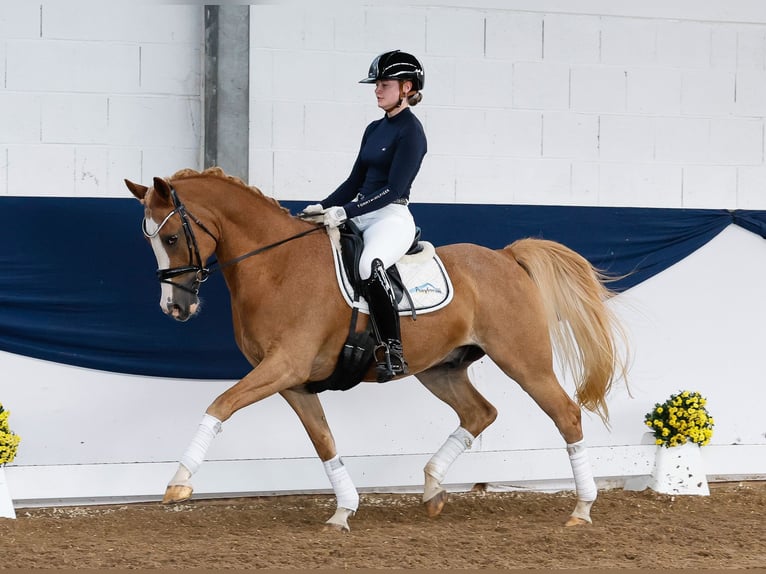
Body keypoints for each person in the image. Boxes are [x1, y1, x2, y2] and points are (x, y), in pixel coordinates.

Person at [302, 50, 427, 382]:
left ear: (406, 87)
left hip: (390, 216)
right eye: (377, 85)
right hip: (360, 212)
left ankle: (393, 349)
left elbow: (395, 187)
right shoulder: (374, 129)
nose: (376, 90)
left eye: (383, 84)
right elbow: (354, 181)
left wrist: (346, 210)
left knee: (367, 265)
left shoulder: (411, 132)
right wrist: (322, 206)